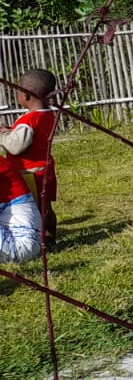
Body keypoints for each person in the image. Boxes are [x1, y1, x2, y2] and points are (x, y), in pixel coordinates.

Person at [0, 68, 56, 262]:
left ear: (25, 95)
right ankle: (51, 237)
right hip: (46, 168)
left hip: (29, 171)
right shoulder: (48, 114)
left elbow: (16, 146)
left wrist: (3, 135)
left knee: (37, 207)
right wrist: (12, 130)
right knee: (46, 206)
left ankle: (42, 239)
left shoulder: (29, 119)